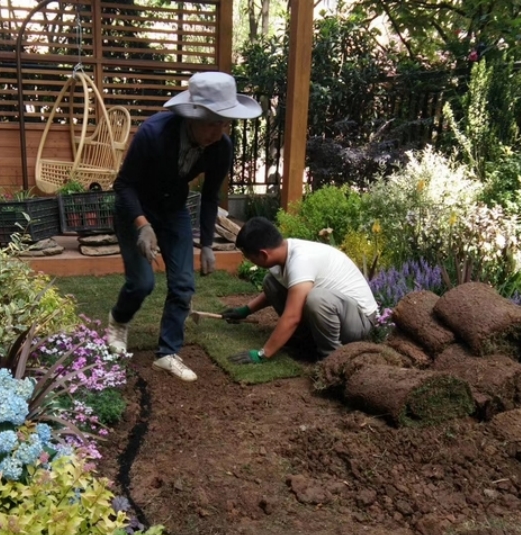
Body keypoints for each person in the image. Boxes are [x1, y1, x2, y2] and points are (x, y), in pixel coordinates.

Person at [105, 71, 262, 382]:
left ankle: (167, 353)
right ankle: (118, 321)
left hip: (174, 211)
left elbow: (209, 196)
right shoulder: (153, 133)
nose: (219, 130)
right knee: (142, 283)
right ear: (192, 116)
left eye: (224, 122)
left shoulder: (221, 147)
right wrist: (142, 225)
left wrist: (206, 244)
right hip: (135, 210)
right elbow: (123, 186)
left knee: (183, 285)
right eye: (212, 122)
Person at [224, 216, 379, 364]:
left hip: (361, 322)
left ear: (264, 254)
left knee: (317, 299)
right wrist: (245, 311)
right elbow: (280, 293)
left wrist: (263, 354)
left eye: (251, 259)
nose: (252, 263)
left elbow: (292, 316)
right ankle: (305, 342)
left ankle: (331, 357)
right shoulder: (285, 251)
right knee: (271, 282)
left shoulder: (301, 261)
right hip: (339, 314)